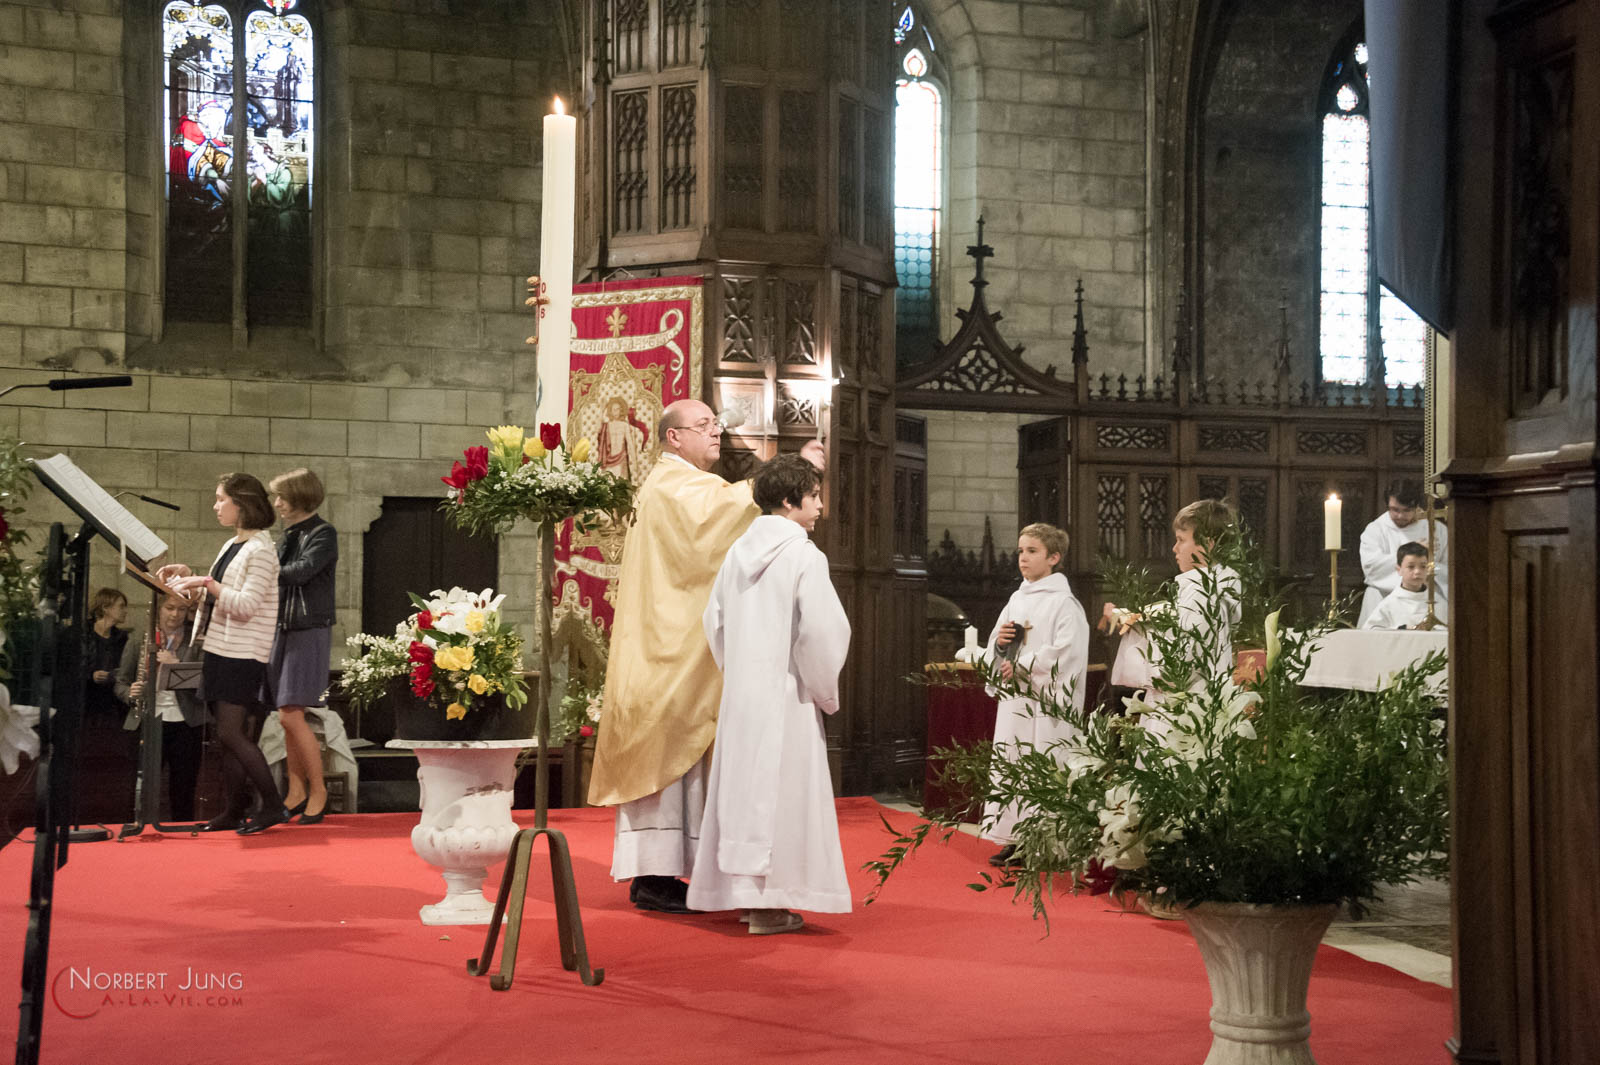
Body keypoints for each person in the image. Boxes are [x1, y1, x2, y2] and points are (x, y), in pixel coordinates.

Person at [587, 397, 826, 914]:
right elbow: (718, 518)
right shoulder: (673, 485)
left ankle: (679, 868)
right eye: (703, 426)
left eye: (715, 424)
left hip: (674, 641)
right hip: (667, 649)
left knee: (685, 758)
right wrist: (788, 481)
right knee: (670, 753)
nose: (715, 433)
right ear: (673, 437)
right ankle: (653, 875)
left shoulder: (682, 483)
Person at [686, 455, 851, 934]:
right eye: (814, 496)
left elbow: (712, 621)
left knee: (743, 793)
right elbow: (822, 633)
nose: (820, 507)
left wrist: (738, 669)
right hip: (787, 694)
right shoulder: (804, 556)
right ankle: (772, 905)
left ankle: (742, 895)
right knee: (783, 795)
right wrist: (823, 690)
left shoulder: (738, 552)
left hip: (742, 696)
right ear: (788, 500)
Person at [157, 473, 286, 835]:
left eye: (220, 499)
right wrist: (190, 578)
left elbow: (245, 605)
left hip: (243, 653)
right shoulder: (235, 544)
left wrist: (206, 583)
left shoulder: (261, 549)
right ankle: (233, 809)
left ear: (241, 504)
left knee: (232, 734)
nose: (215, 506)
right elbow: (216, 597)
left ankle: (272, 805)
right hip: (220, 646)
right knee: (223, 736)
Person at [981, 523, 1089, 867]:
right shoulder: (1017, 598)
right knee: (1012, 763)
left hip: (1047, 706)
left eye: (1032, 552)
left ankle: (1044, 842)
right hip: (1016, 702)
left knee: (1041, 764)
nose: (1023, 559)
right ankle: (1013, 838)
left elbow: (1067, 653)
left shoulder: (1065, 604)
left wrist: (1024, 667)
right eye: (1020, 551)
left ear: (1054, 558)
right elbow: (998, 642)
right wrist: (999, 649)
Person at [1103, 499, 1242, 705]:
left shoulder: (1202, 593)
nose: (1174, 548)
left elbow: (1178, 667)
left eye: (1181, 540)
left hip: (1182, 708)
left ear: (1207, 544)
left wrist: (1137, 630)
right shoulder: (1213, 588)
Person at [267, 467, 338, 825]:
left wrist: (263, 562)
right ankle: (295, 792)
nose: (277, 503)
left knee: (291, 713)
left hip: (308, 626)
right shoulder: (289, 534)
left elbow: (301, 571)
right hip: (284, 626)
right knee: (286, 717)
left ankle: (318, 791)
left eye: (282, 496)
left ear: (300, 497)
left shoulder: (323, 533)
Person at [115, 591, 205, 822]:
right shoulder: (140, 639)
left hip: (186, 721)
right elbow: (121, 682)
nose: (175, 615)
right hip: (147, 719)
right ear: (159, 609)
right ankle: (141, 828)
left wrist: (176, 665)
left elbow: (207, 685)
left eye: (182, 609)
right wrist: (129, 692)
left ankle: (183, 828)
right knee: (143, 784)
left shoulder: (196, 641)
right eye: (170, 608)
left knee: (184, 785)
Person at [1358, 482, 1448, 627]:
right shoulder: (1376, 530)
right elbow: (1372, 568)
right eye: (1394, 509)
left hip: (1426, 600)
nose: (1400, 515)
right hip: (1382, 599)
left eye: (1407, 510)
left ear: (1417, 506)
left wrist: (1429, 569)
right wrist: (1415, 551)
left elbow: (1449, 570)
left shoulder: (1436, 530)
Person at [1361, 542, 1442, 631]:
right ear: (1399, 570)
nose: (1417, 571)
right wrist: (1402, 629)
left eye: (1423, 566)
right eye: (1411, 566)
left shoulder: (1438, 602)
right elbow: (1371, 631)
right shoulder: (1389, 604)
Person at [83, 588, 130, 720]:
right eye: (121, 606)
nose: (125, 611)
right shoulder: (83, 634)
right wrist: (91, 675)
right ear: (105, 608)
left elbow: (126, 668)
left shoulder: (121, 638)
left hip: (112, 703)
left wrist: (113, 675)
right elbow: (69, 667)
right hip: (87, 701)